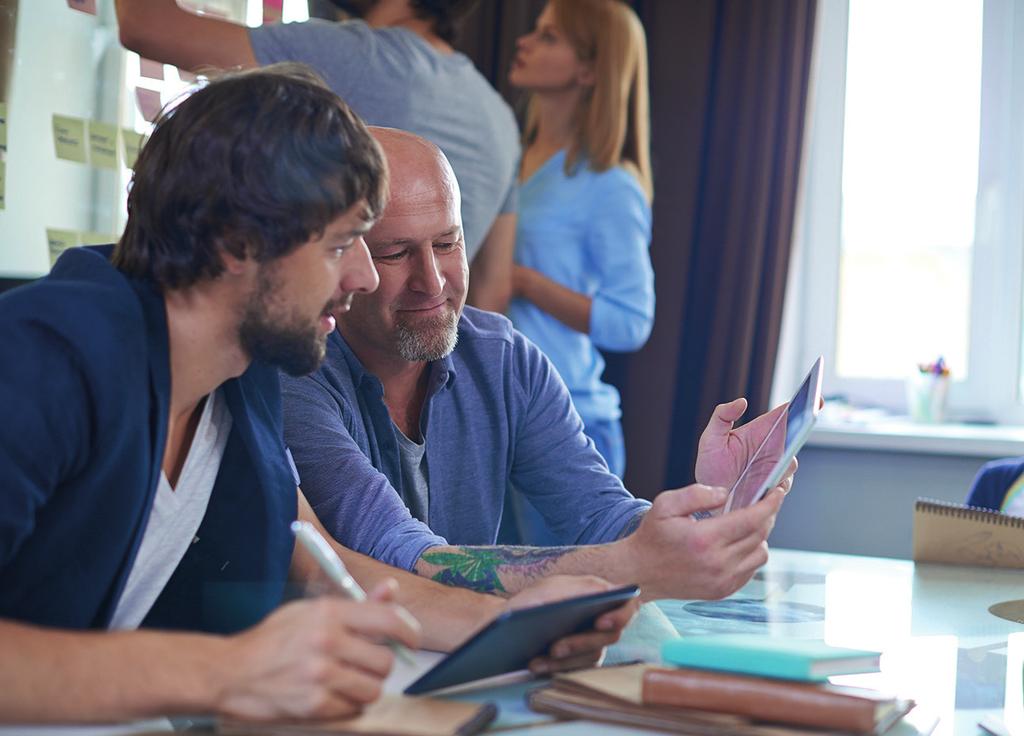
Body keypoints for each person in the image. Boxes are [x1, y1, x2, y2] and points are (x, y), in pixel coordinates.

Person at [0, 65, 633, 725]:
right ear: (237, 245)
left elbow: (318, 560)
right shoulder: (40, 360)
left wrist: (504, 623)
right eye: (339, 246)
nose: (360, 277)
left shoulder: (239, 378)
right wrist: (227, 672)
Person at [282, 126, 790, 603]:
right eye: (395, 253)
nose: (433, 283)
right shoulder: (296, 373)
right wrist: (632, 564)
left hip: (464, 649)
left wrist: (710, 517)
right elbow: (400, 553)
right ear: (342, 259)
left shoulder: (502, 358)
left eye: (447, 244)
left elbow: (600, 516)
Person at [114, 0, 518, 311]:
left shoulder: (362, 56)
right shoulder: (499, 116)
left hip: (323, 350)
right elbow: (492, 290)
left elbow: (147, 26)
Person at [506, 0, 655, 478]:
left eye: (548, 37)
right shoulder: (509, 157)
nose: (524, 42)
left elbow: (631, 322)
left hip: (570, 425)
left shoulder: (610, 184)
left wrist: (524, 282)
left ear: (590, 70)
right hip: (501, 415)